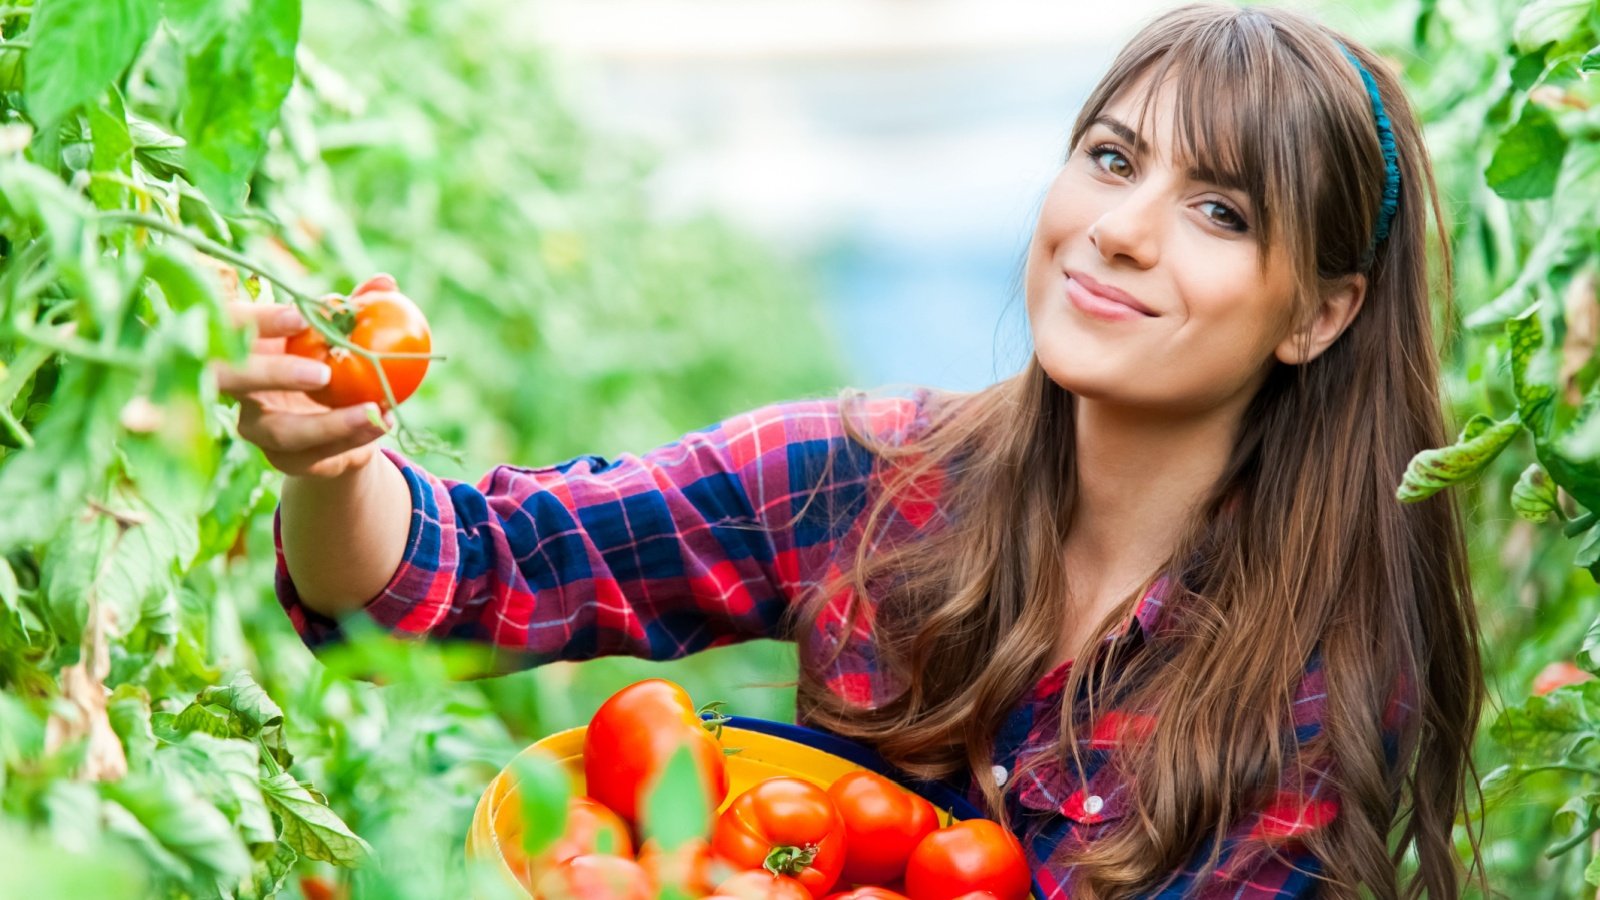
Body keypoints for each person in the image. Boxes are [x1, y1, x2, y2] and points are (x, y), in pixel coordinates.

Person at [216, 3, 1486, 897]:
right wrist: (334, 463)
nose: (1122, 231)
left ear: (1319, 314)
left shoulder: (1311, 681)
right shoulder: (870, 478)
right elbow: (459, 584)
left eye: (1218, 211)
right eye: (1111, 160)